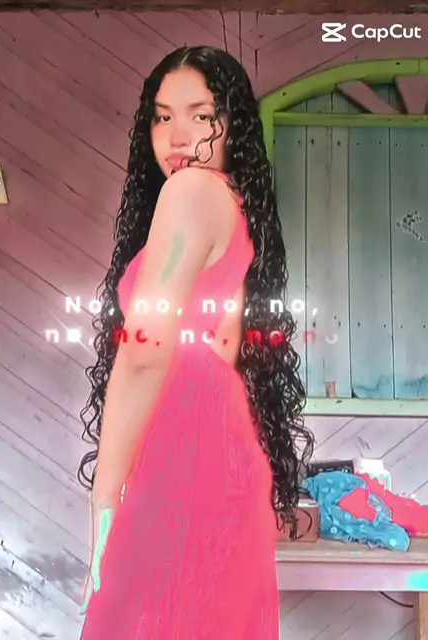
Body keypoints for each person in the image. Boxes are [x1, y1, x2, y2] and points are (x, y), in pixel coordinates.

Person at [77, 45, 314, 639]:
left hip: (191, 446)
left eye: (201, 115)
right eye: (162, 117)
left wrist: (104, 496)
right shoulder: (232, 202)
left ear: (233, 124)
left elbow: (146, 349)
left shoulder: (191, 192)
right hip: (218, 444)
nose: (178, 135)